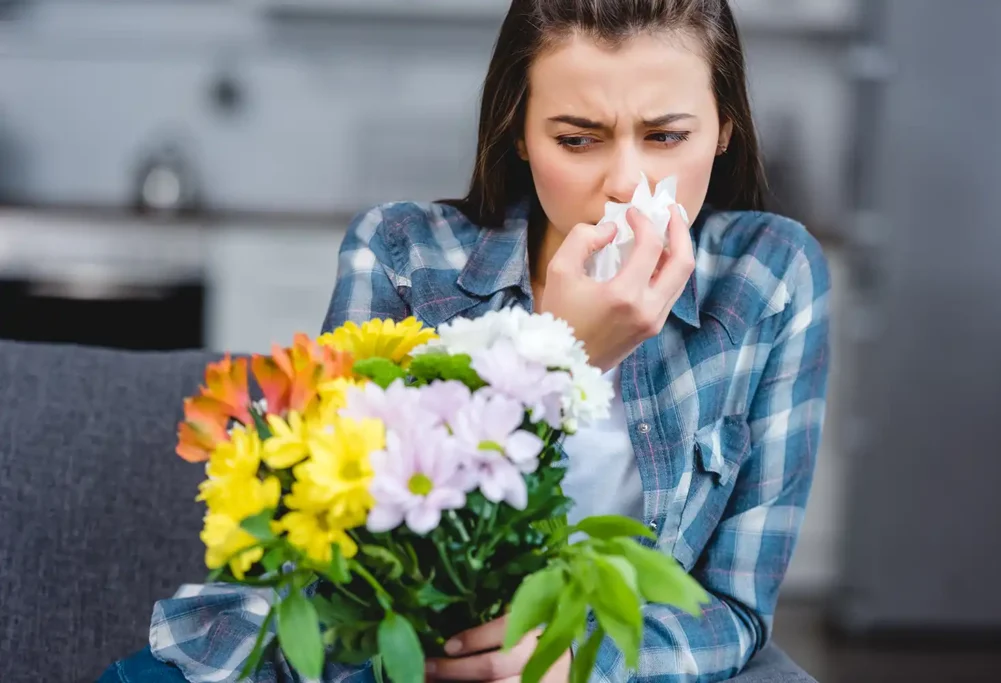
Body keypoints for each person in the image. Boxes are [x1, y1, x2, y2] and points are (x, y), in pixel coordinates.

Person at [99, 1, 830, 681]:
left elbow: (734, 609)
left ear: (726, 128)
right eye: (577, 140)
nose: (625, 184)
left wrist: (582, 659)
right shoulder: (401, 255)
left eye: (668, 136)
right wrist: (564, 354)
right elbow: (339, 556)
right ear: (518, 130)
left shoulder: (772, 277)